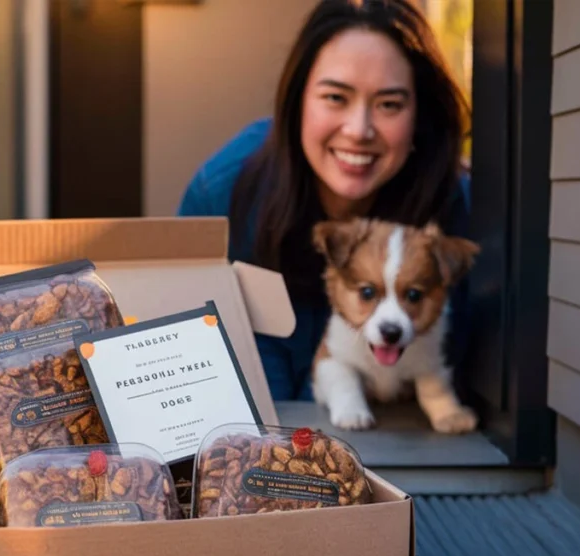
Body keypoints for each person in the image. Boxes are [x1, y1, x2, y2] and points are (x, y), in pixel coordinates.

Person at [177, 0, 472, 402]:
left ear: (418, 116)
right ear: (298, 101)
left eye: (389, 105)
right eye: (335, 97)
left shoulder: (457, 211)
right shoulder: (224, 194)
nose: (359, 129)